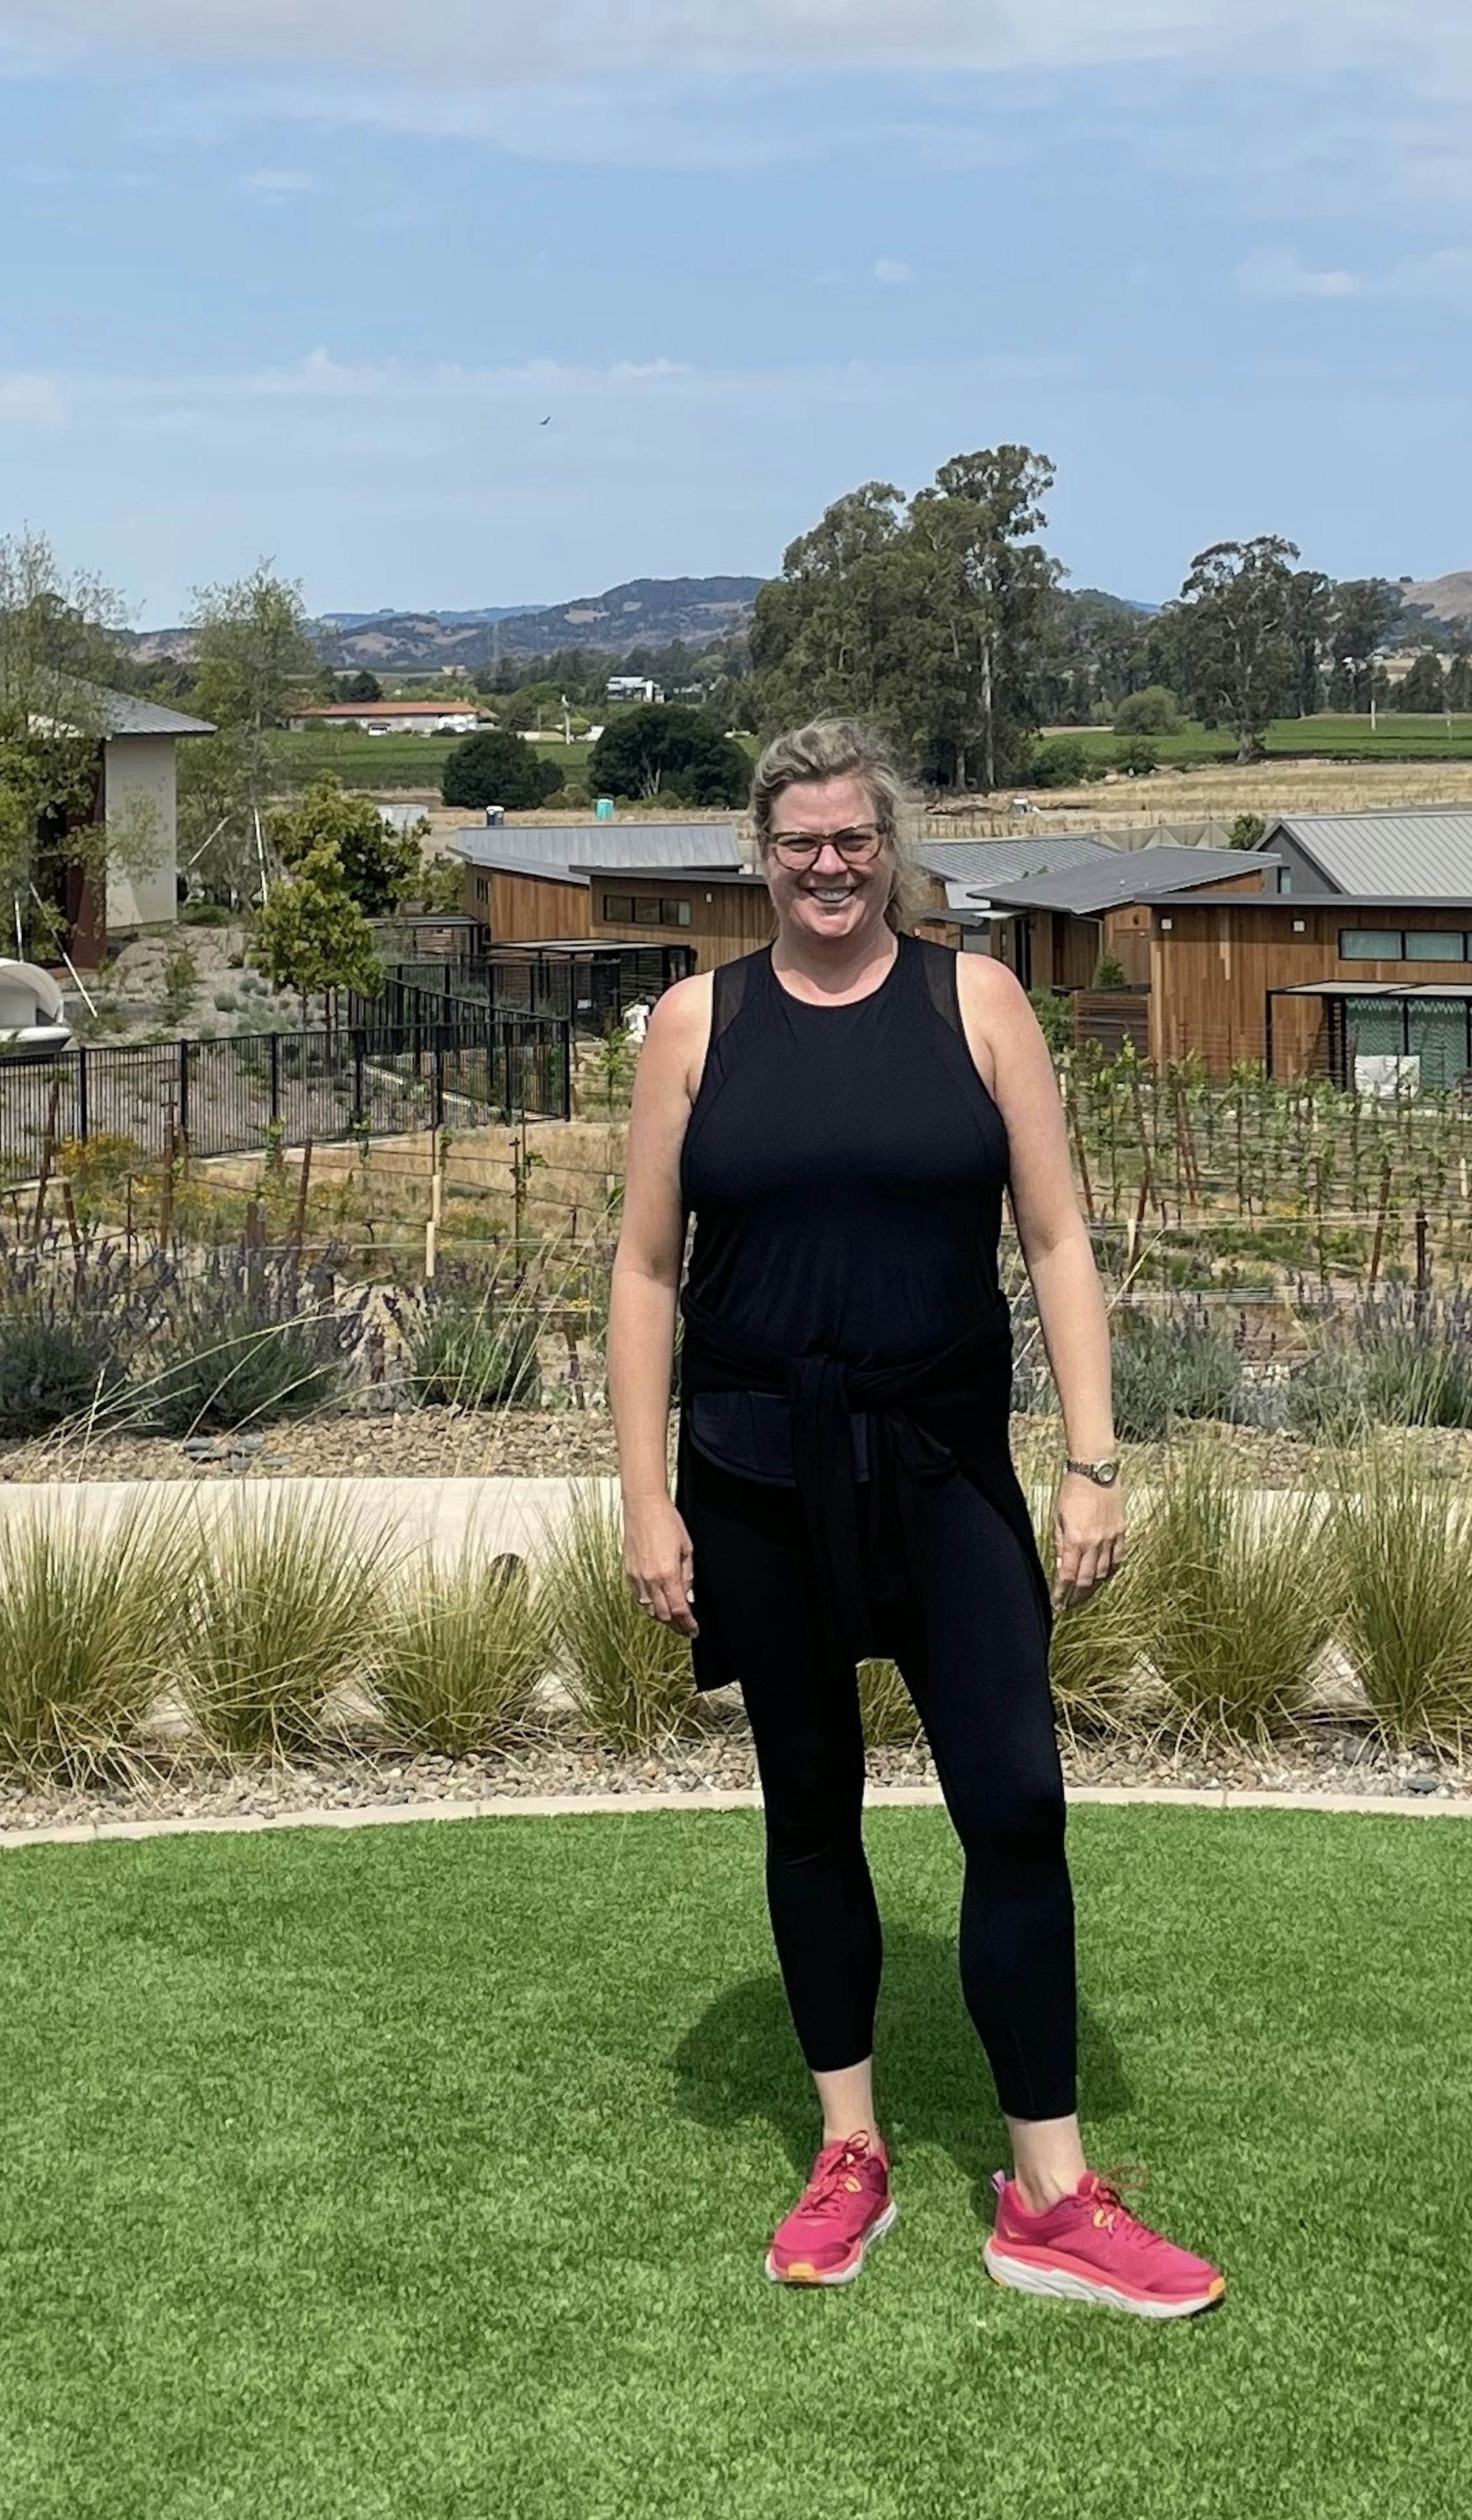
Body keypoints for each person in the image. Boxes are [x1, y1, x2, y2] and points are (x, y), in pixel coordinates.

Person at [608, 719, 1223, 2320]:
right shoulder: (694, 1026)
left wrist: (1094, 1457)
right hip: (755, 1474)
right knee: (808, 1810)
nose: (829, 865)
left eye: (854, 839)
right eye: (800, 841)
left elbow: (1060, 1235)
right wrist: (643, 1500)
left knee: (1016, 1807)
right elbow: (645, 1272)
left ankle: (1051, 2189)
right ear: (763, 854)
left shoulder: (980, 999)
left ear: (892, 848)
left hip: (948, 1468)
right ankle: (850, 2146)